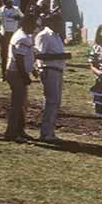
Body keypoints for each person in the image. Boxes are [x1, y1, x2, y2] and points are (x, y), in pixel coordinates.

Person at [33, 15, 70, 143]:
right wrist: (59, 56)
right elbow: (39, 55)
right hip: (49, 70)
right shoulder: (43, 35)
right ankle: (45, 132)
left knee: (56, 102)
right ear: (51, 22)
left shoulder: (57, 36)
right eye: (58, 21)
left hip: (58, 70)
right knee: (51, 101)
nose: (60, 24)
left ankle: (50, 131)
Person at [4, 15, 37, 142]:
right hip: (16, 73)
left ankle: (19, 130)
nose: (34, 29)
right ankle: (11, 132)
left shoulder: (24, 35)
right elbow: (19, 59)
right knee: (17, 104)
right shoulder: (22, 38)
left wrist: (32, 69)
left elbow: (26, 56)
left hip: (18, 73)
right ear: (27, 25)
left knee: (22, 103)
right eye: (33, 26)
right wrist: (25, 76)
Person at [0, 0, 24, 81]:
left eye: (10, 0)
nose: (9, 2)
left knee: (16, 55)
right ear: (4, 2)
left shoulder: (16, 9)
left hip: (15, 34)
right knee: (4, 55)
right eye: (6, 1)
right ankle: (4, 74)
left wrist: (19, 18)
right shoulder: (0, 11)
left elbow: (23, 19)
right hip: (4, 34)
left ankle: (17, 74)